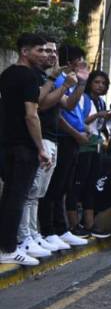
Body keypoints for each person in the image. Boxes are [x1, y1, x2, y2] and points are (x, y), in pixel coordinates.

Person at [1, 34, 56, 266]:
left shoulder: (7, 74)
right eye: (40, 50)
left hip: (5, 143)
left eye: (46, 51)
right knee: (17, 197)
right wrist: (40, 147)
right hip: (23, 146)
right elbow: (32, 115)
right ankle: (7, 249)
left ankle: (6, 246)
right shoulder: (30, 77)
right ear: (25, 51)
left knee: (9, 196)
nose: (45, 55)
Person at [38, 45, 91, 248]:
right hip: (60, 137)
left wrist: (81, 84)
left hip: (69, 140)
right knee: (50, 188)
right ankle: (48, 230)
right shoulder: (55, 79)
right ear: (71, 61)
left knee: (62, 187)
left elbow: (70, 104)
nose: (83, 65)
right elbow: (59, 112)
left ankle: (60, 229)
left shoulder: (68, 80)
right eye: (80, 61)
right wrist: (76, 134)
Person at [75, 70, 111, 238]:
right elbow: (79, 121)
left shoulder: (102, 102)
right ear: (90, 82)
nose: (100, 86)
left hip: (97, 145)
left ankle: (89, 222)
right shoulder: (83, 98)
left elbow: (101, 125)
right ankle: (75, 223)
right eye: (97, 82)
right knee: (79, 183)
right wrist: (98, 115)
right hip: (84, 145)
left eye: (103, 83)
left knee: (92, 183)